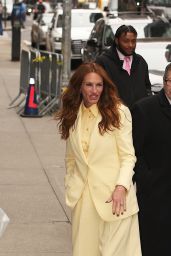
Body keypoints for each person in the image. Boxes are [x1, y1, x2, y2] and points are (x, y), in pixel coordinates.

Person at [56, 62, 142, 256]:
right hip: (83, 201)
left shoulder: (118, 113)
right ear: (79, 87)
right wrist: (71, 185)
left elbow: (128, 156)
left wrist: (121, 187)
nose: (94, 91)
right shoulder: (73, 114)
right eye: (89, 85)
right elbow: (71, 158)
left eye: (99, 85)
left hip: (115, 199)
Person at [131, 63, 171, 256]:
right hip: (155, 193)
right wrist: (145, 179)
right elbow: (134, 151)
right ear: (164, 83)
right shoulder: (145, 109)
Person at [96, 25, 152, 109]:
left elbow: (147, 88)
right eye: (126, 41)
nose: (130, 45)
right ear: (117, 40)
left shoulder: (141, 61)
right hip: (115, 115)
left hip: (140, 116)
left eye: (133, 41)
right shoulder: (103, 62)